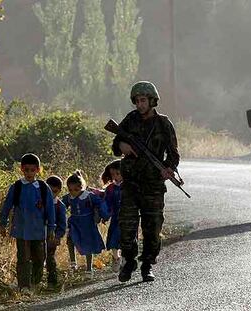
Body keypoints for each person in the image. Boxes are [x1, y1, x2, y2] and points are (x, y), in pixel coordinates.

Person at [111, 81, 180, 282]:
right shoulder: (130, 120)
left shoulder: (163, 124)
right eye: (137, 101)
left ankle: (147, 264)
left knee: (153, 227)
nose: (139, 105)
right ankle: (129, 261)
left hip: (153, 185)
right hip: (131, 183)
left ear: (152, 101)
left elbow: (173, 154)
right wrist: (122, 145)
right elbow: (115, 144)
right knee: (127, 226)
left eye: (143, 100)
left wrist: (168, 168)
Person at [0, 153, 55, 294]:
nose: (29, 173)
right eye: (26, 170)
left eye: (33, 170)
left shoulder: (43, 188)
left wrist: (51, 228)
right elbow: (7, 206)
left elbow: (50, 209)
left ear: (38, 170)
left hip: (38, 230)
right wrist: (3, 222)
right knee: (23, 258)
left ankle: (35, 282)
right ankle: (24, 286)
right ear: (22, 170)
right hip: (21, 230)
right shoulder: (17, 187)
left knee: (39, 257)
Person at [62, 170, 109, 280]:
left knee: (89, 246)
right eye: (70, 190)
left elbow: (100, 202)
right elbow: (61, 205)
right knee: (70, 240)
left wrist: (102, 214)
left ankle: (89, 268)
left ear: (81, 187)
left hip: (87, 223)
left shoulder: (89, 196)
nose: (73, 192)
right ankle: (73, 262)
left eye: (76, 189)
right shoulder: (69, 197)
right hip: (74, 222)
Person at [45, 175, 67, 288]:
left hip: (51, 237)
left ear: (59, 191)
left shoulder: (59, 206)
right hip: (38, 235)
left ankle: (52, 281)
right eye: (49, 190)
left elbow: (62, 224)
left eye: (54, 191)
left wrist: (58, 236)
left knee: (49, 258)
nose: (51, 194)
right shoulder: (41, 202)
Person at [101, 160, 123, 273]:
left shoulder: (128, 185)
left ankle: (126, 258)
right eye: (113, 174)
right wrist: (105, 215)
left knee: (126, 238)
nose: (115, 176)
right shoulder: (110, 188)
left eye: (117, 174)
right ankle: (116, 258)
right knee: (113, 239)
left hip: (128, 217)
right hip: (115, 218)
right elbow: (107, 203)